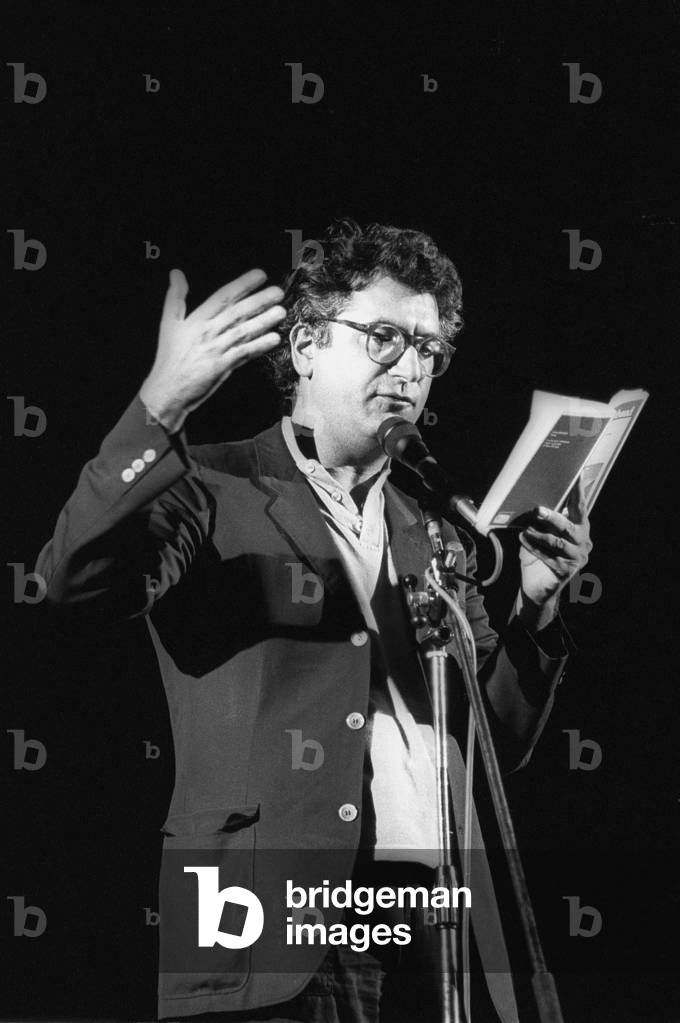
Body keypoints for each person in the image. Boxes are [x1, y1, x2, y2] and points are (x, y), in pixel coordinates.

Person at [36, 219, 592, 1023]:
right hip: (257, 918)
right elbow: (72, 585)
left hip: (428, 929)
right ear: (303, 346)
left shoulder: (434, 531)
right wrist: (156, 411)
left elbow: (489, 749)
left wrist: (535, 600)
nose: (410, 366)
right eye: (383, 337)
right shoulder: (210, 484)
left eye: (429, 350)